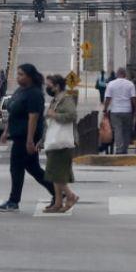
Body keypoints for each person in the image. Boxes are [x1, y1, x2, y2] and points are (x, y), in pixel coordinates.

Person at [0, 63, 55, 212]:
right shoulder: (20, 91)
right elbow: (13, 111)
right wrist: (6, 131)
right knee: (33, 169)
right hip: (18, 135)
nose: (18, 77)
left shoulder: (34, 94)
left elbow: (33, 118)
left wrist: (30, 140)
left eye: (21, 74)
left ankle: (13, 201)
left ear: (29, 76)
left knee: (17, 168)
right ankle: (59, 192)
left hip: (25, 138)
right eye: (18, 74)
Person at [42, 74, 79, 212]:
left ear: (57, 86)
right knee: (56, 174)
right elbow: (50, 124)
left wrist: (54, 115)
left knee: (54, 173)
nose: (47, 87)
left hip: (62, 142)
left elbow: (72, 115)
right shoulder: (56, 100)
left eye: (49, 85)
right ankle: (58, 203)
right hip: (54, 141)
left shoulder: (65, 100)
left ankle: (70, 196)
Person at [103, 67, 136, 154]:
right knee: (126, 130)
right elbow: (133, 98)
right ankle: (124, 149)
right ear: (125, 74)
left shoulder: (111, 84)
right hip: (127, 111)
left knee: (117, 129)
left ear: (117, 74)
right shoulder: (130, 84)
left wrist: (105, 109)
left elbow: (108, 98)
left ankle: (119, 149)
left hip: (115, 111)